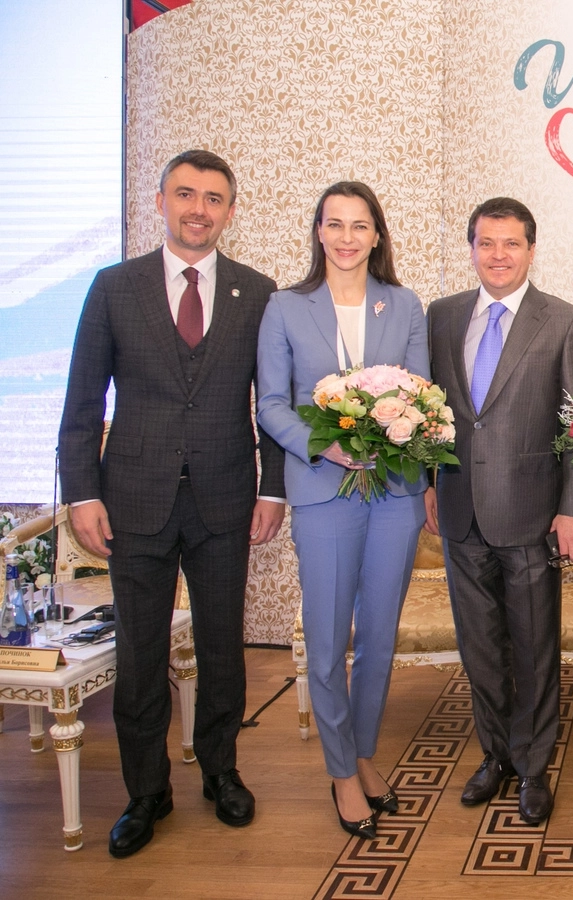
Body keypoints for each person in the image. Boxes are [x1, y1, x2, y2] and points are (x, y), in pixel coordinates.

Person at [58, 149, 286, 857]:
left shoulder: (258, 292)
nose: (198, 209)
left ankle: (221, 771)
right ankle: (145, 792)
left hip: (224, 498)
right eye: (185, 194)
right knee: (140, 653)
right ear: (160, 202)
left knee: (221, 646)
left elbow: (273, 403)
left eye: (213, 199)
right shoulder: (114, 287)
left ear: (231, 212)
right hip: (133, 500)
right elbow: (82, 403)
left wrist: (272, 487)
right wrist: (82, 494)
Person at [256, 182, 428, 839]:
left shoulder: (404, 304)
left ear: (377, 235)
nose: (347, 237)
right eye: (335, 224)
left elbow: (422, 394)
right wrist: (323, 443)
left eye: (360, 225)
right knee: (328, 638)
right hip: (322, 489)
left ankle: (362, 753)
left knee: (379, 637)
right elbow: (271, 403)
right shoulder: (285, 306)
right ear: (319, 232)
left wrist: (396, 433)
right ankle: (340, 771)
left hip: (394, 492)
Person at [423, 197, 573, 825]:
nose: (498, 255)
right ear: (472, 248)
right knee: (480, 650)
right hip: (459, 510)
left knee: (533, 650)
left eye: (511, 244)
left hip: (531, 514)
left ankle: (533, 766)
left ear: (531, 249)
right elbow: (429, 410)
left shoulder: (564, 321)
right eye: (486, 243)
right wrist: (428, 482)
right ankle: (495, 755)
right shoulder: (442, 315)